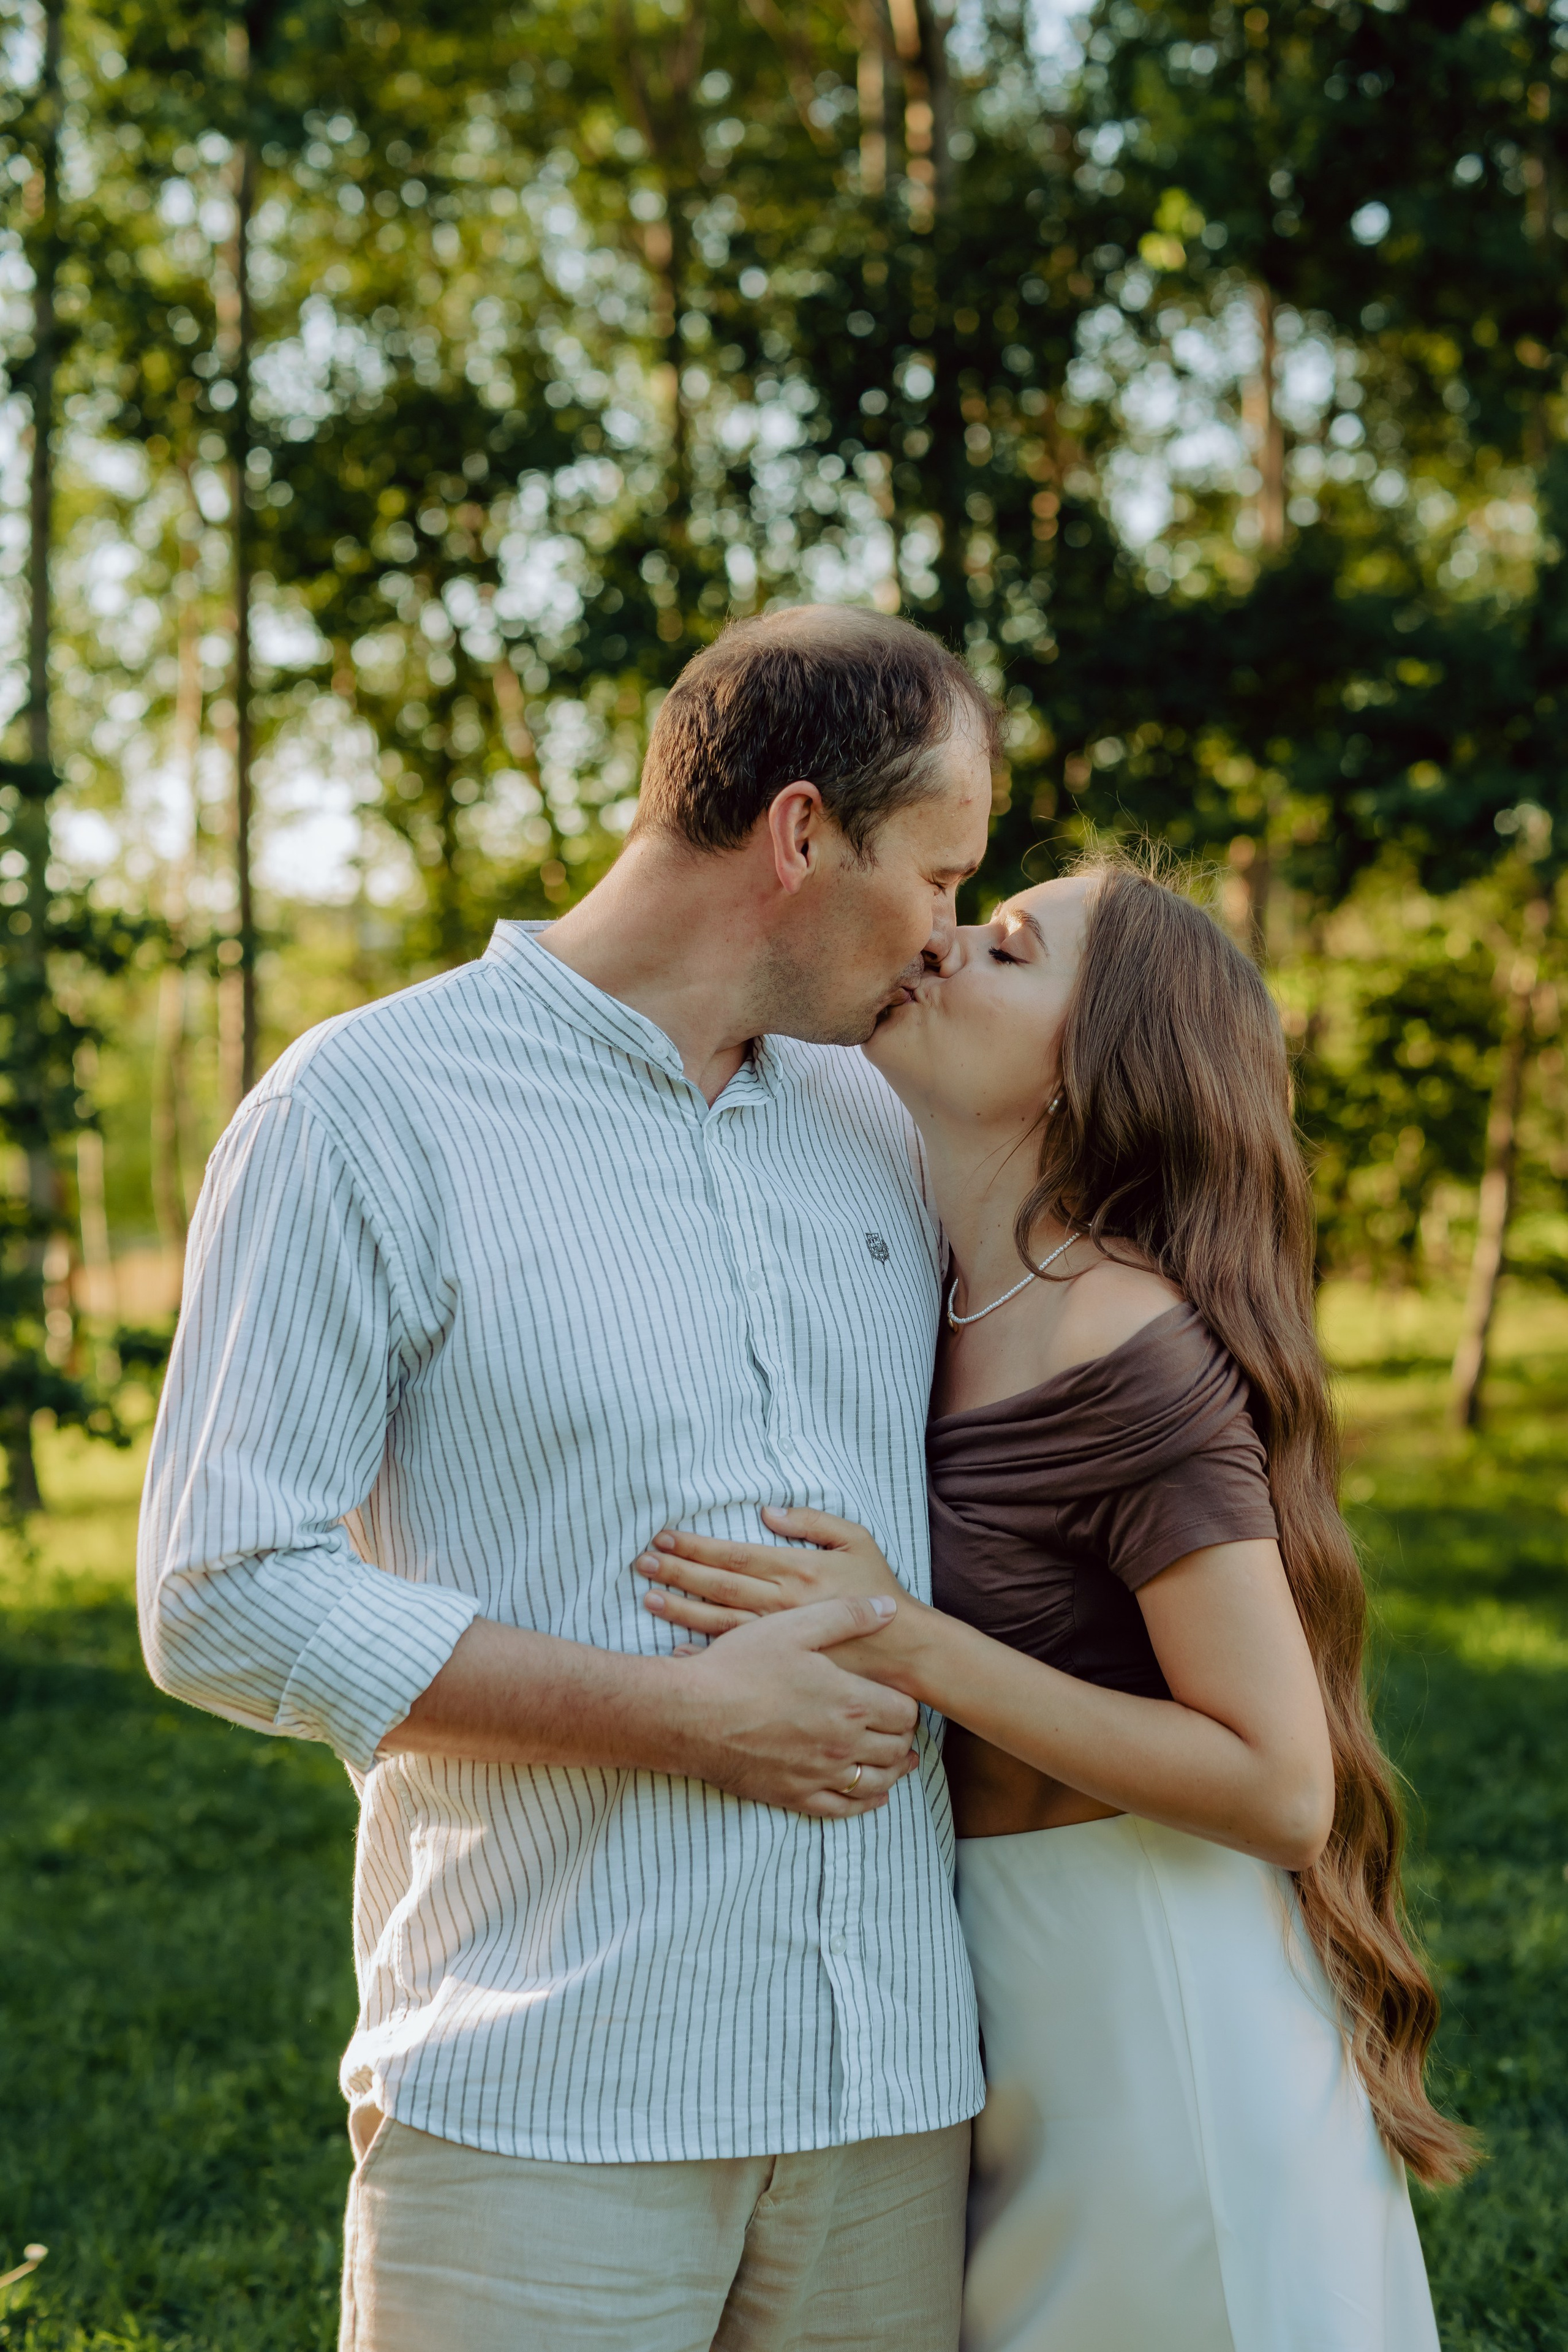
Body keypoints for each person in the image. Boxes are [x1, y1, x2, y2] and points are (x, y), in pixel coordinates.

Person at [137, 606, 998, 2352]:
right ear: (801, 833)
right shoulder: (365, 1111)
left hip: (894, 2093)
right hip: (547, 2101)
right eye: (939, 874)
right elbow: (220, 1591)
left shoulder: (890, 1119)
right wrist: (679, 1717)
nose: (947, 936)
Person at [636, 850, 1473, 2352]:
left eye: (1010, 949)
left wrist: (906, 1638)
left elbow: (1280, 1787)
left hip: (1156, 2008)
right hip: (1002, 1999)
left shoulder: (1115, 1333)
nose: (942, 945)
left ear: (1090, 1070)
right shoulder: (943, 1294)